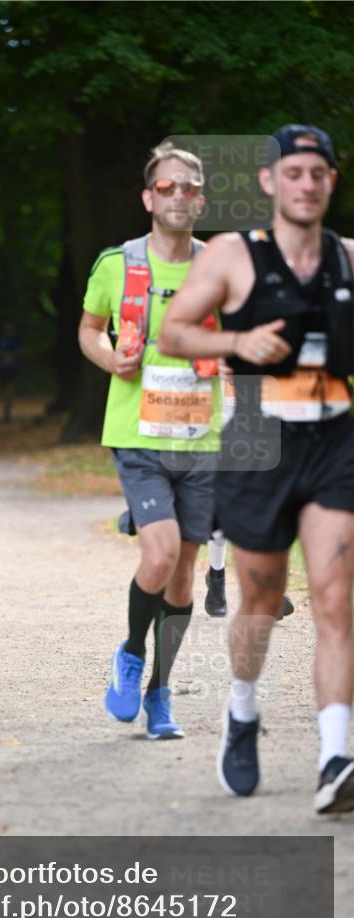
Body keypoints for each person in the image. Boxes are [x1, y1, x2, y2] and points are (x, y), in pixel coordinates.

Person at [159, 124, 354, 813]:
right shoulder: (234, 256)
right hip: (254, 437)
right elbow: (172, 331)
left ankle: (336, 756)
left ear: (330, 182)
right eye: (292, 172)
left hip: (334, 438)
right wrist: (238, 338)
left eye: (317, 173)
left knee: (335, 598)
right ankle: (241, 710)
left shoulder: (347, 258)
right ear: (271, 181)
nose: (305, 184)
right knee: (261, 603)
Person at [79, 142, 223, 740]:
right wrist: (112, 358)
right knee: (159, 555)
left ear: (201, 199)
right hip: (137, 433)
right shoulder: (117, 263)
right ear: (149, 197)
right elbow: (88, 329)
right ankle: (132, 653)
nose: (179, 196)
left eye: (189, 187)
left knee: (185, 573)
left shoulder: (223, 265)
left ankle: (160, 693)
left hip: (202, 435)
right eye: (168, 187)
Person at [0, 322, 22, 423]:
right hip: (2, 368)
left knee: (10, 388)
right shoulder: (0, 339)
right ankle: (6, 408)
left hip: (12, 368)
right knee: (4, 390)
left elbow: (20, 351)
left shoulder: (16, 339)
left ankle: (8, 409)